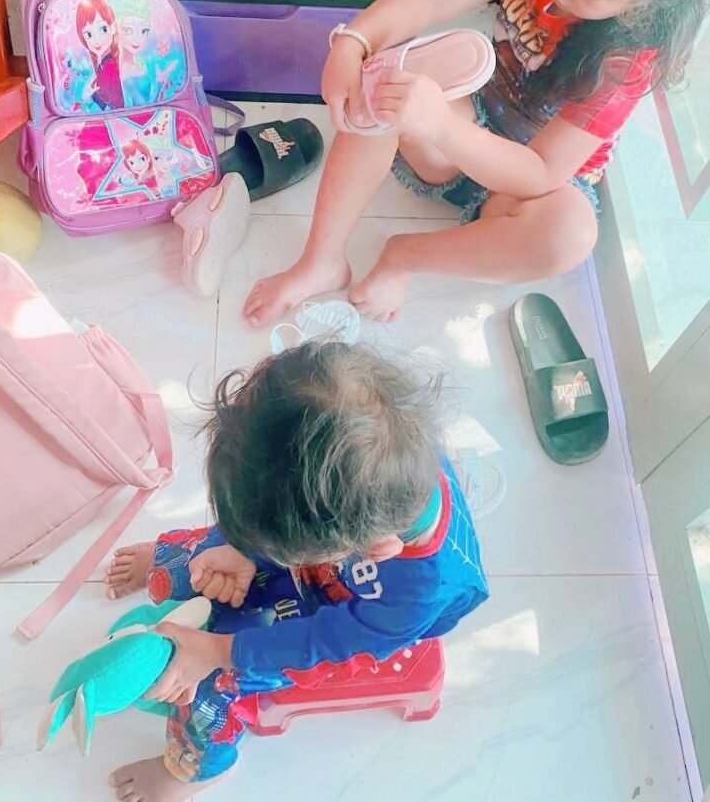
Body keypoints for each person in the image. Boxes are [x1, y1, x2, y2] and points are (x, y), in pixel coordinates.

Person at [243, 0, 710, 325]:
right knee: (390, 74)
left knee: (569, 233)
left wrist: (440, 128)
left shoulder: (629, 59)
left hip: (524, 190)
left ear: (644, 3)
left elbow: (540, 174)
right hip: (469, 129)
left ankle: (404, 256)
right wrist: (353, 42)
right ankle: (321, 261)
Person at [104, 342, 488, 800]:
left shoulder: (416, 598)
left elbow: (321, 643)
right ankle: (203, 553)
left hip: (344, 621)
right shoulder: (391, 454)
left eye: (285, 550)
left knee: (209, 689)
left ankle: (196, 769)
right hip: (334, 537)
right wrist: (245, 549)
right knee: (221, 540)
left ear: (369, 549)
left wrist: (218, 651)